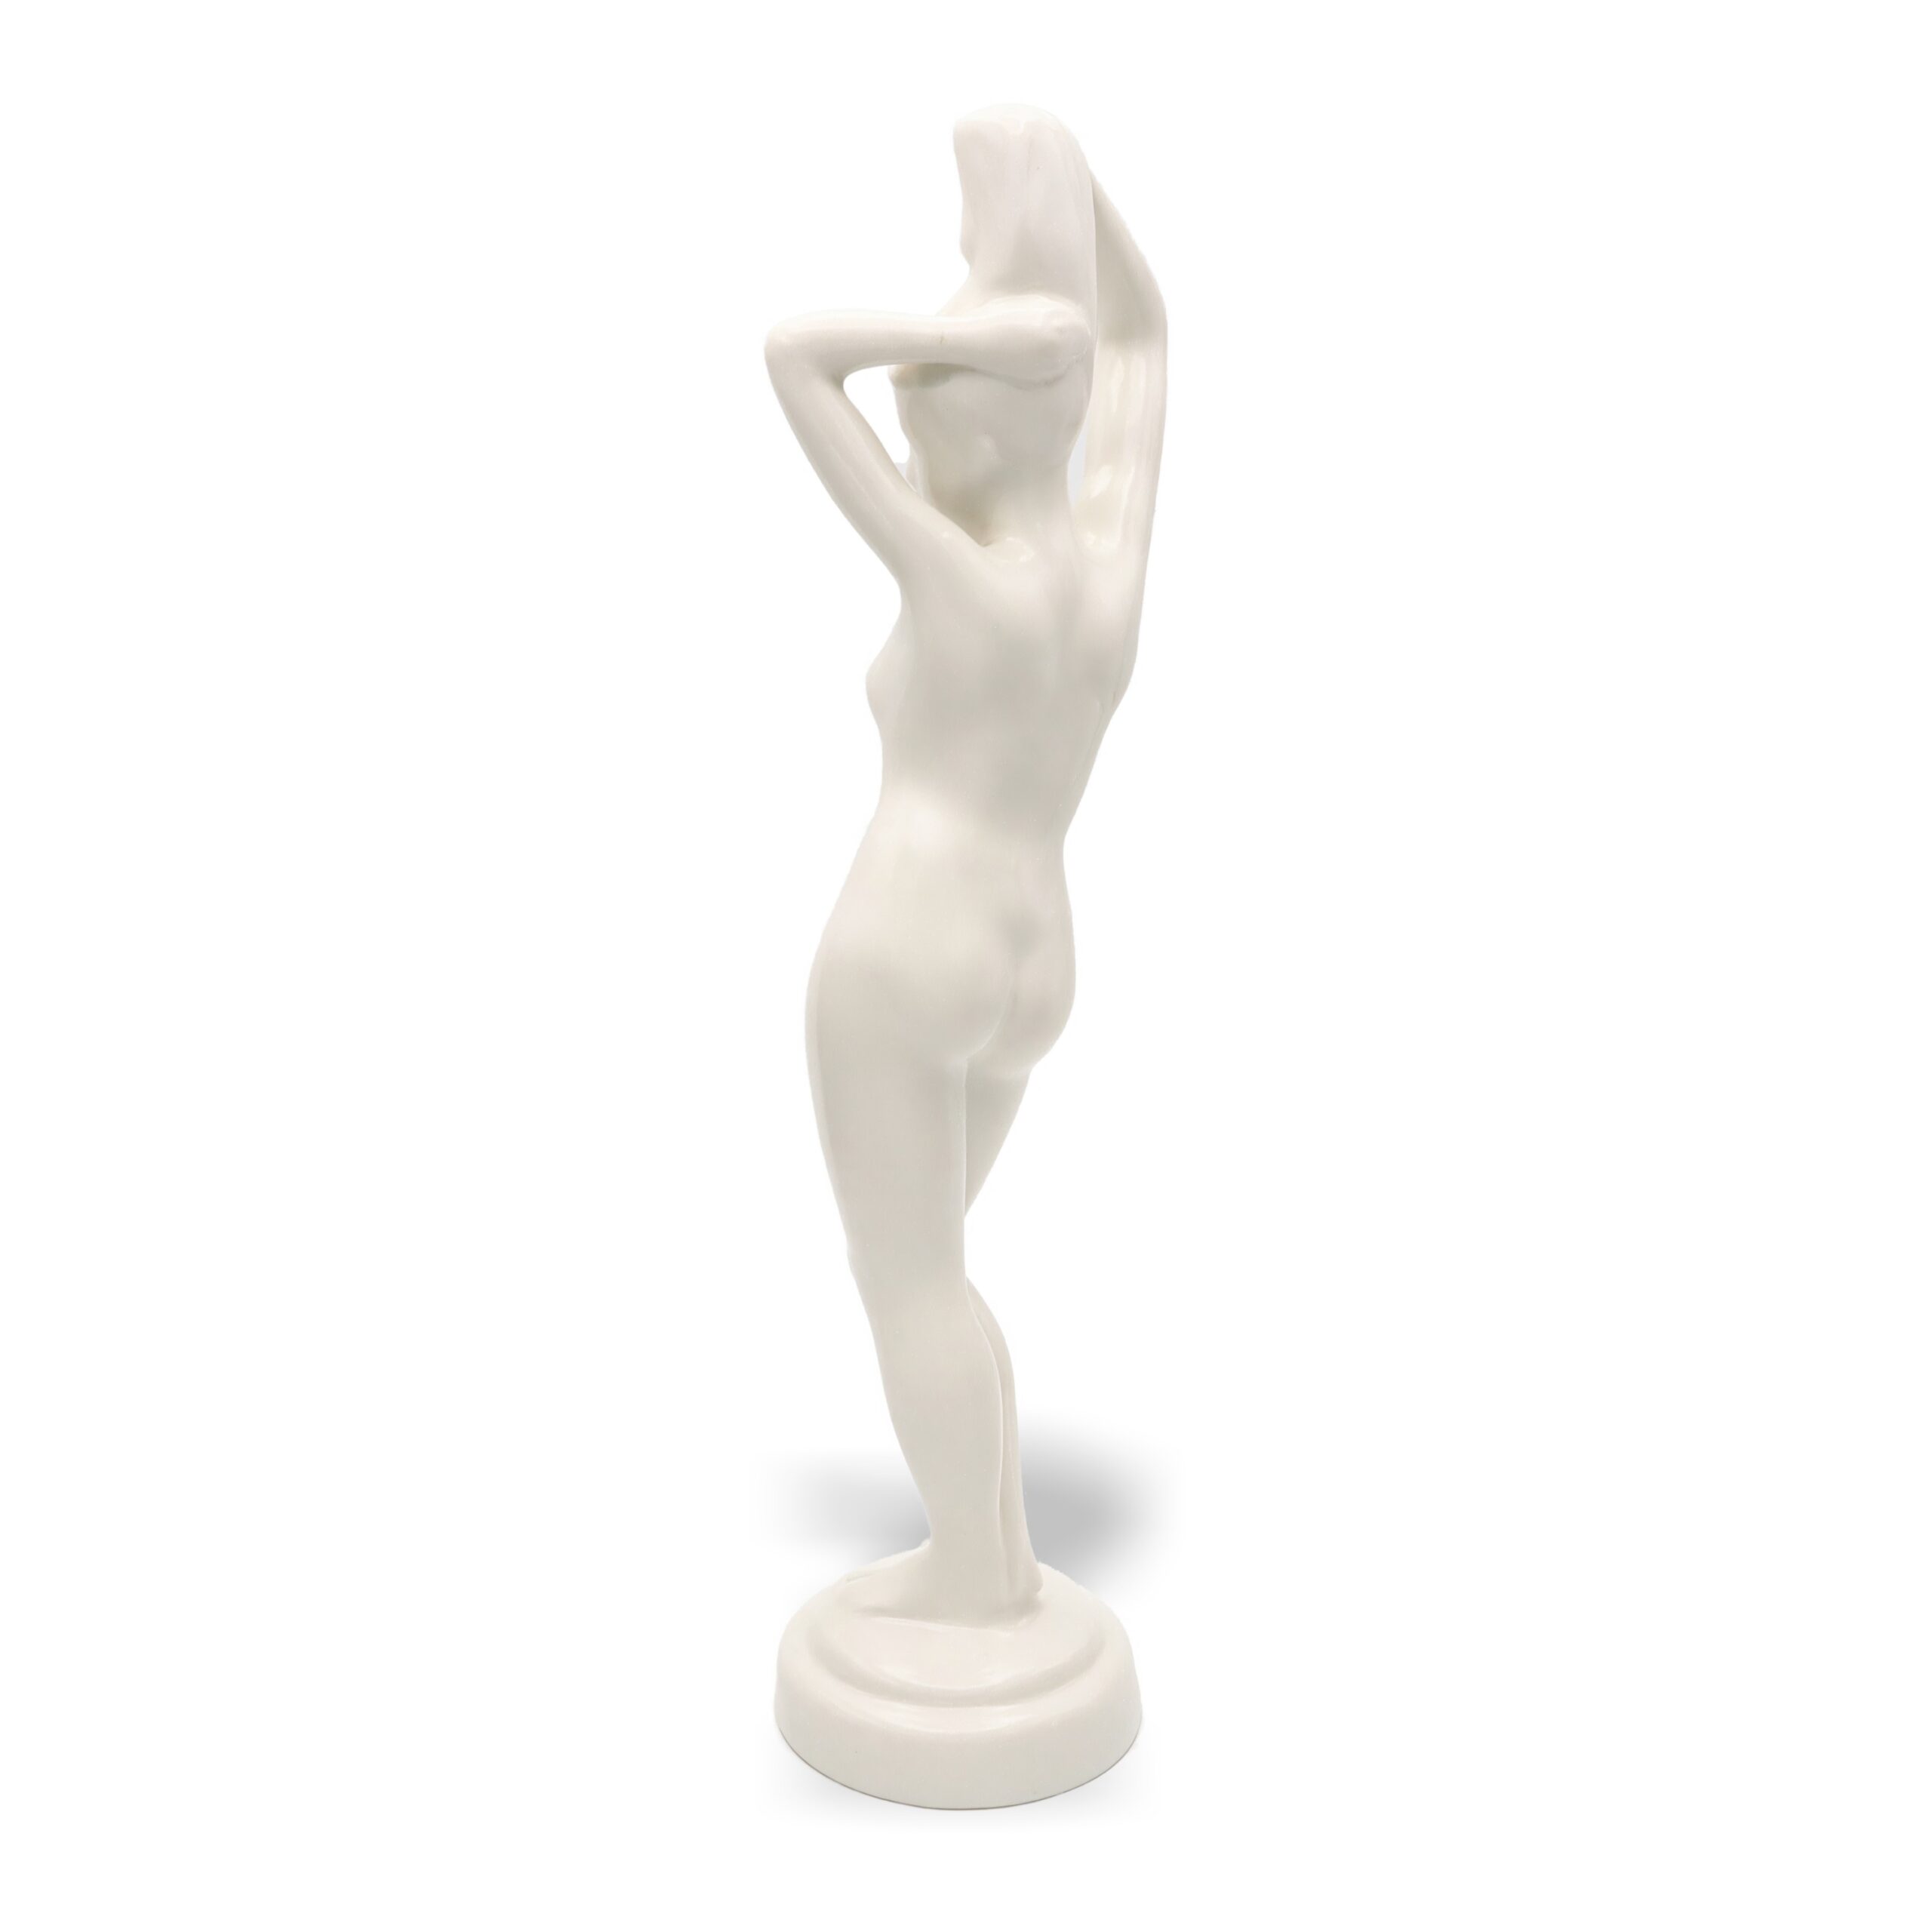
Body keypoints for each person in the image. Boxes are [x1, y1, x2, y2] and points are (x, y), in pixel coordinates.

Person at [765, 105, 1165, 1623]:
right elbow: (1145, 341)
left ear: (972, 418)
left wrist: (977, 333)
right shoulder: (1102, 578)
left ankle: (974, 1572)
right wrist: (1059, 196)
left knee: (908, 1276)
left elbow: (794, 357)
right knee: (938, 1266)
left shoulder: (959, 574)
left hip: (902, 950)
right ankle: (986, 1562)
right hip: (1031, 959)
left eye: (928, 400)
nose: (910, 424)